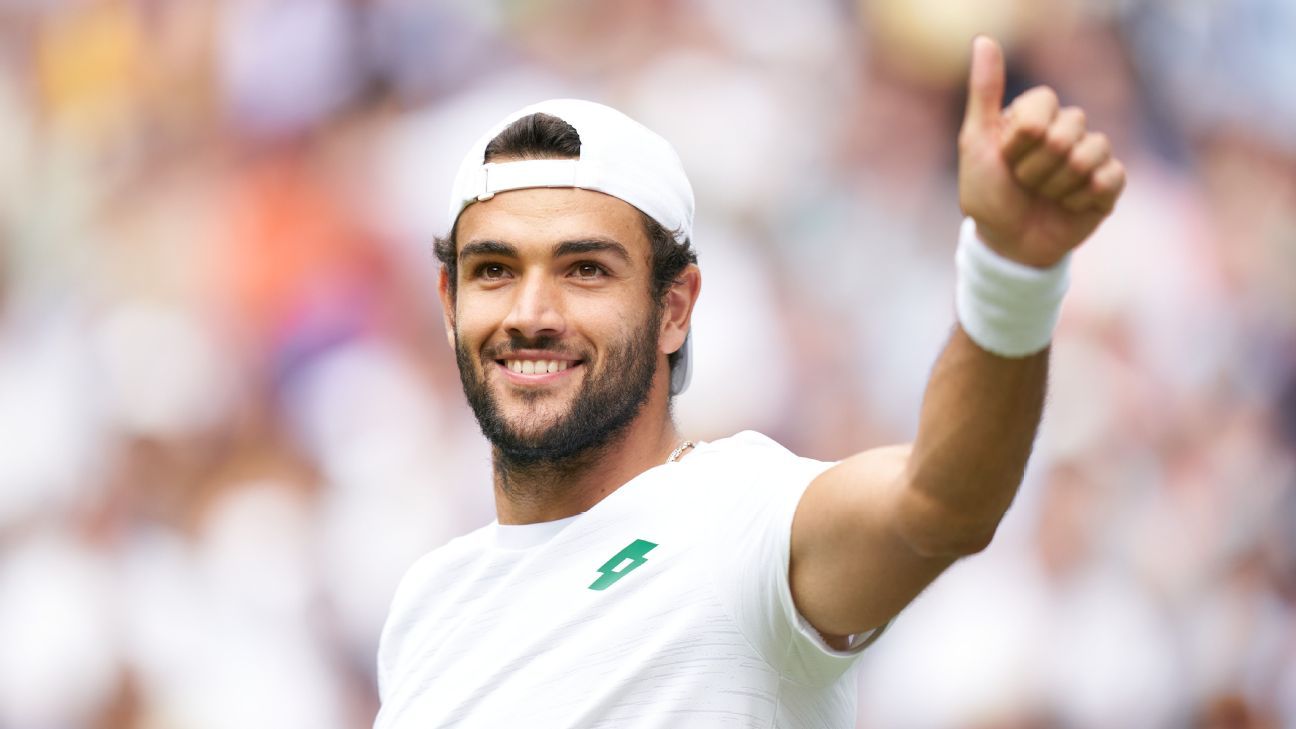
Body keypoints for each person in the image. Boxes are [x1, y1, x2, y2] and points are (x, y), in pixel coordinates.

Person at [373, 36, 1125, 728]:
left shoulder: (740, 516)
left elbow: (942, 502)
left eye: (585, 270)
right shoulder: (427, 605)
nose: (531, 313)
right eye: (495, 270)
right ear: (450, 304)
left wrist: (1011, 275)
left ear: (675, 309)